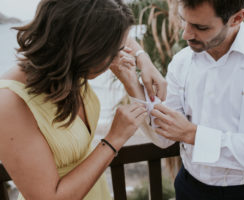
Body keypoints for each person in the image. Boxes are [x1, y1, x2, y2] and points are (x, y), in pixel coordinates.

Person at [114, 0, 244, 199]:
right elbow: (164, 137)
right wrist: (132, 82)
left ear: (237, 18)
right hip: (187, 187)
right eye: (184, 21)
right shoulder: (182, 62)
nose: (186, 34)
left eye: (200, 27)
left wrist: (194, 135)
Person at [0, 0, 167, 200]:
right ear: (85, 46)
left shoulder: (67, 67)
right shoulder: (8, 104)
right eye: (112, 52)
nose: (118, 57)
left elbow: (124, 39)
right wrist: (114, 139)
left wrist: (144, 59)